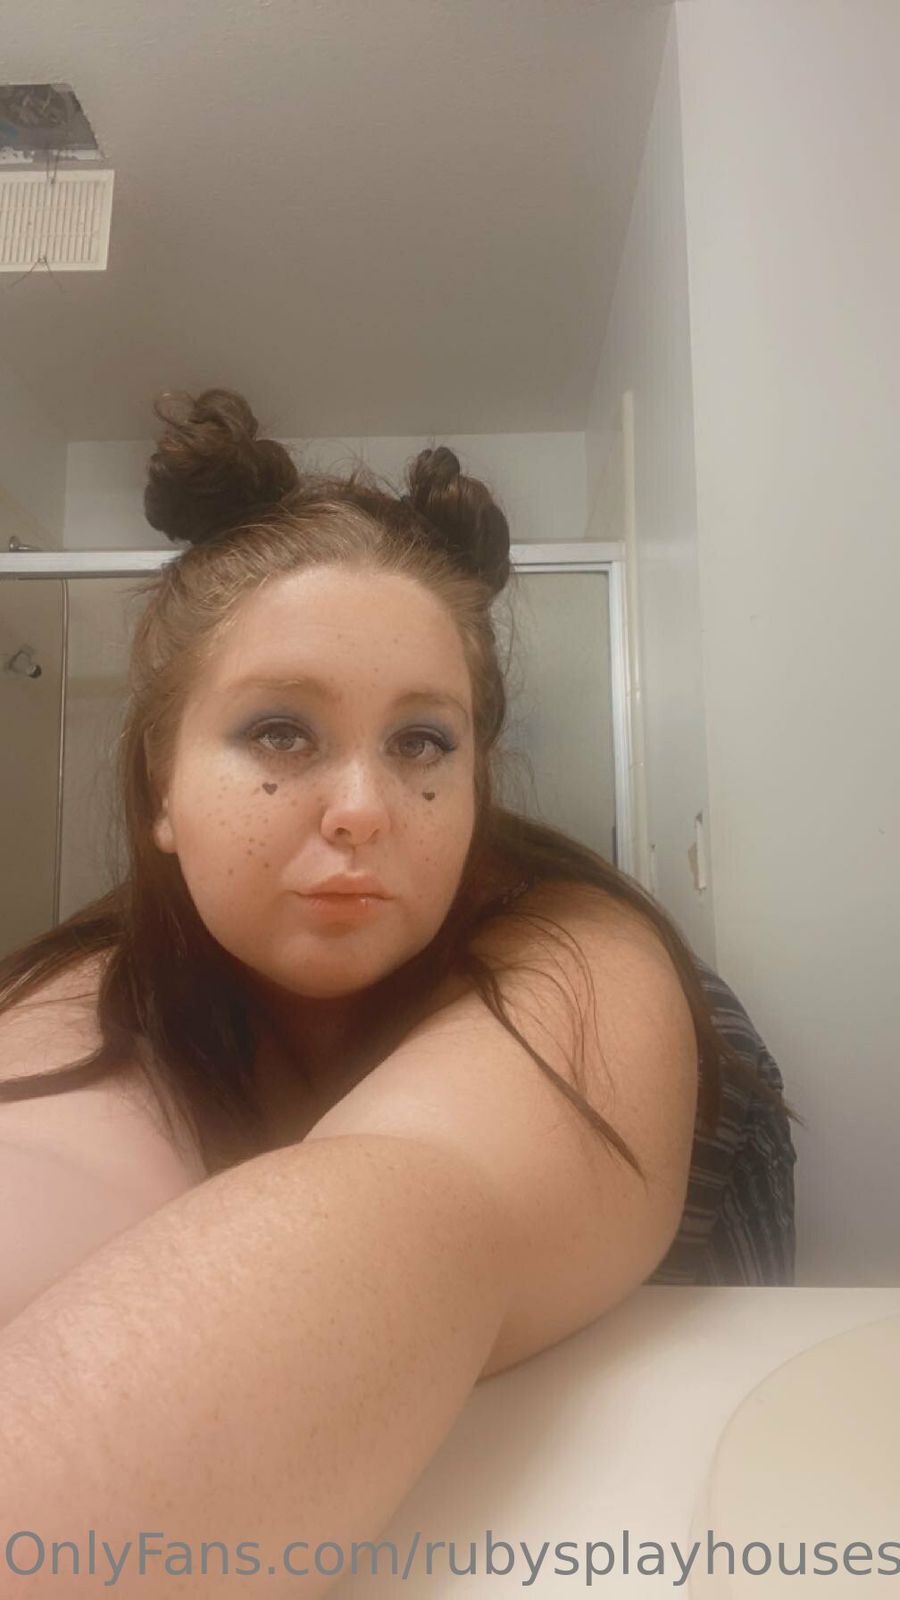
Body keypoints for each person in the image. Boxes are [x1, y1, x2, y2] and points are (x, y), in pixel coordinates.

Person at [0, 389, 802, 1598]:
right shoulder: (92, 991)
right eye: (282, 731)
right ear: (162, 785)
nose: (363, 808)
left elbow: (415, 1210)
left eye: (423, 742)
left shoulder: (589, 966)